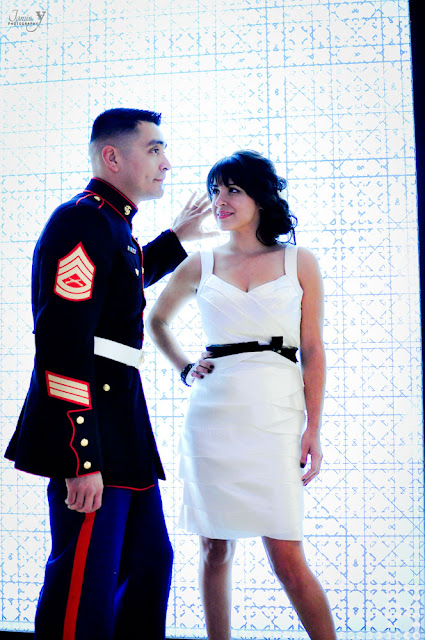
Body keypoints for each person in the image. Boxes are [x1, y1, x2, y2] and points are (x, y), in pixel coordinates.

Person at [4, 107, 214, 640]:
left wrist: (177, 238)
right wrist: (81, 458)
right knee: (86, 583)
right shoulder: (81, 221)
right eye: (154, 149)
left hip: (122, 423)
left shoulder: (111, 224)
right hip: (92, 430)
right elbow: (62, 344)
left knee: (147, 565)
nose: (166, 162)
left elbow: (123, 278)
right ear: (112, 157)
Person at [147, 150, 337, 640]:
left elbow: (313, 349)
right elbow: (156, 320)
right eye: (216, 190)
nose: (221, 200)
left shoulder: (299, 260)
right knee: (214, 548)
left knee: (287, 556)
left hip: (277, 411)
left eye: (233, 189)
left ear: (260, 196)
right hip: (213, 414)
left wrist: (314, 428)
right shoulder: (201, 262)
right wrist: (185, 367)